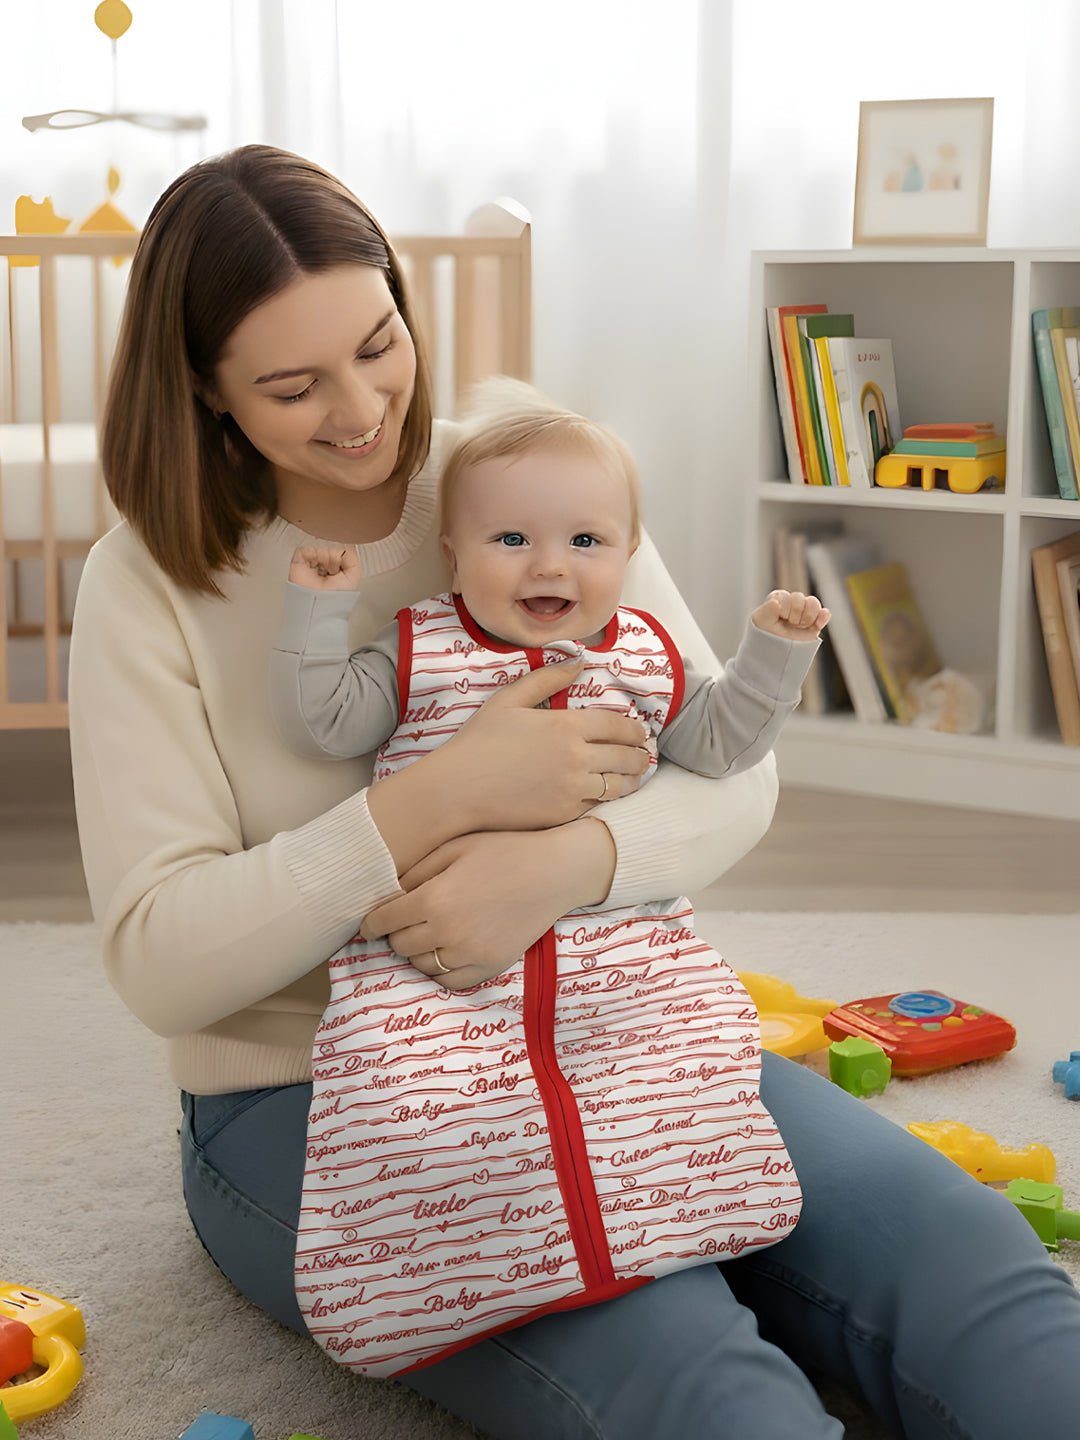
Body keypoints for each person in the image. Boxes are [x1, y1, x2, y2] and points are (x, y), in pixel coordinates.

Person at [67, 144, 1080, 1440]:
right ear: (204, 389)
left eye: (381, 343)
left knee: (966, 1258)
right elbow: (160, 958)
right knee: (689, 1372)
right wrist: (433, 803)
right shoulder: (144, 583)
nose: (363, 408)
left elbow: (727, 771)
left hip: (614, 1018)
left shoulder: (521, 470)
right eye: (291, 385)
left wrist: (558, 867)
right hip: (309, 1084)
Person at [270, 378, 827, 1370]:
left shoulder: (646, 655)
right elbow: (328, 722)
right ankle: (427, 1280)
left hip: (623, 945)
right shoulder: (421, 646)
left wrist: (771, 658)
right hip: (435, 967)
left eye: (585, 542)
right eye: (511, 540)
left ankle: (679, 1219)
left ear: (626, 555)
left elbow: (720, 746)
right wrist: (321, 611)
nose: (549, 566)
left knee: (685, 1061)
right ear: (454, 555)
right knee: (411, 1111)